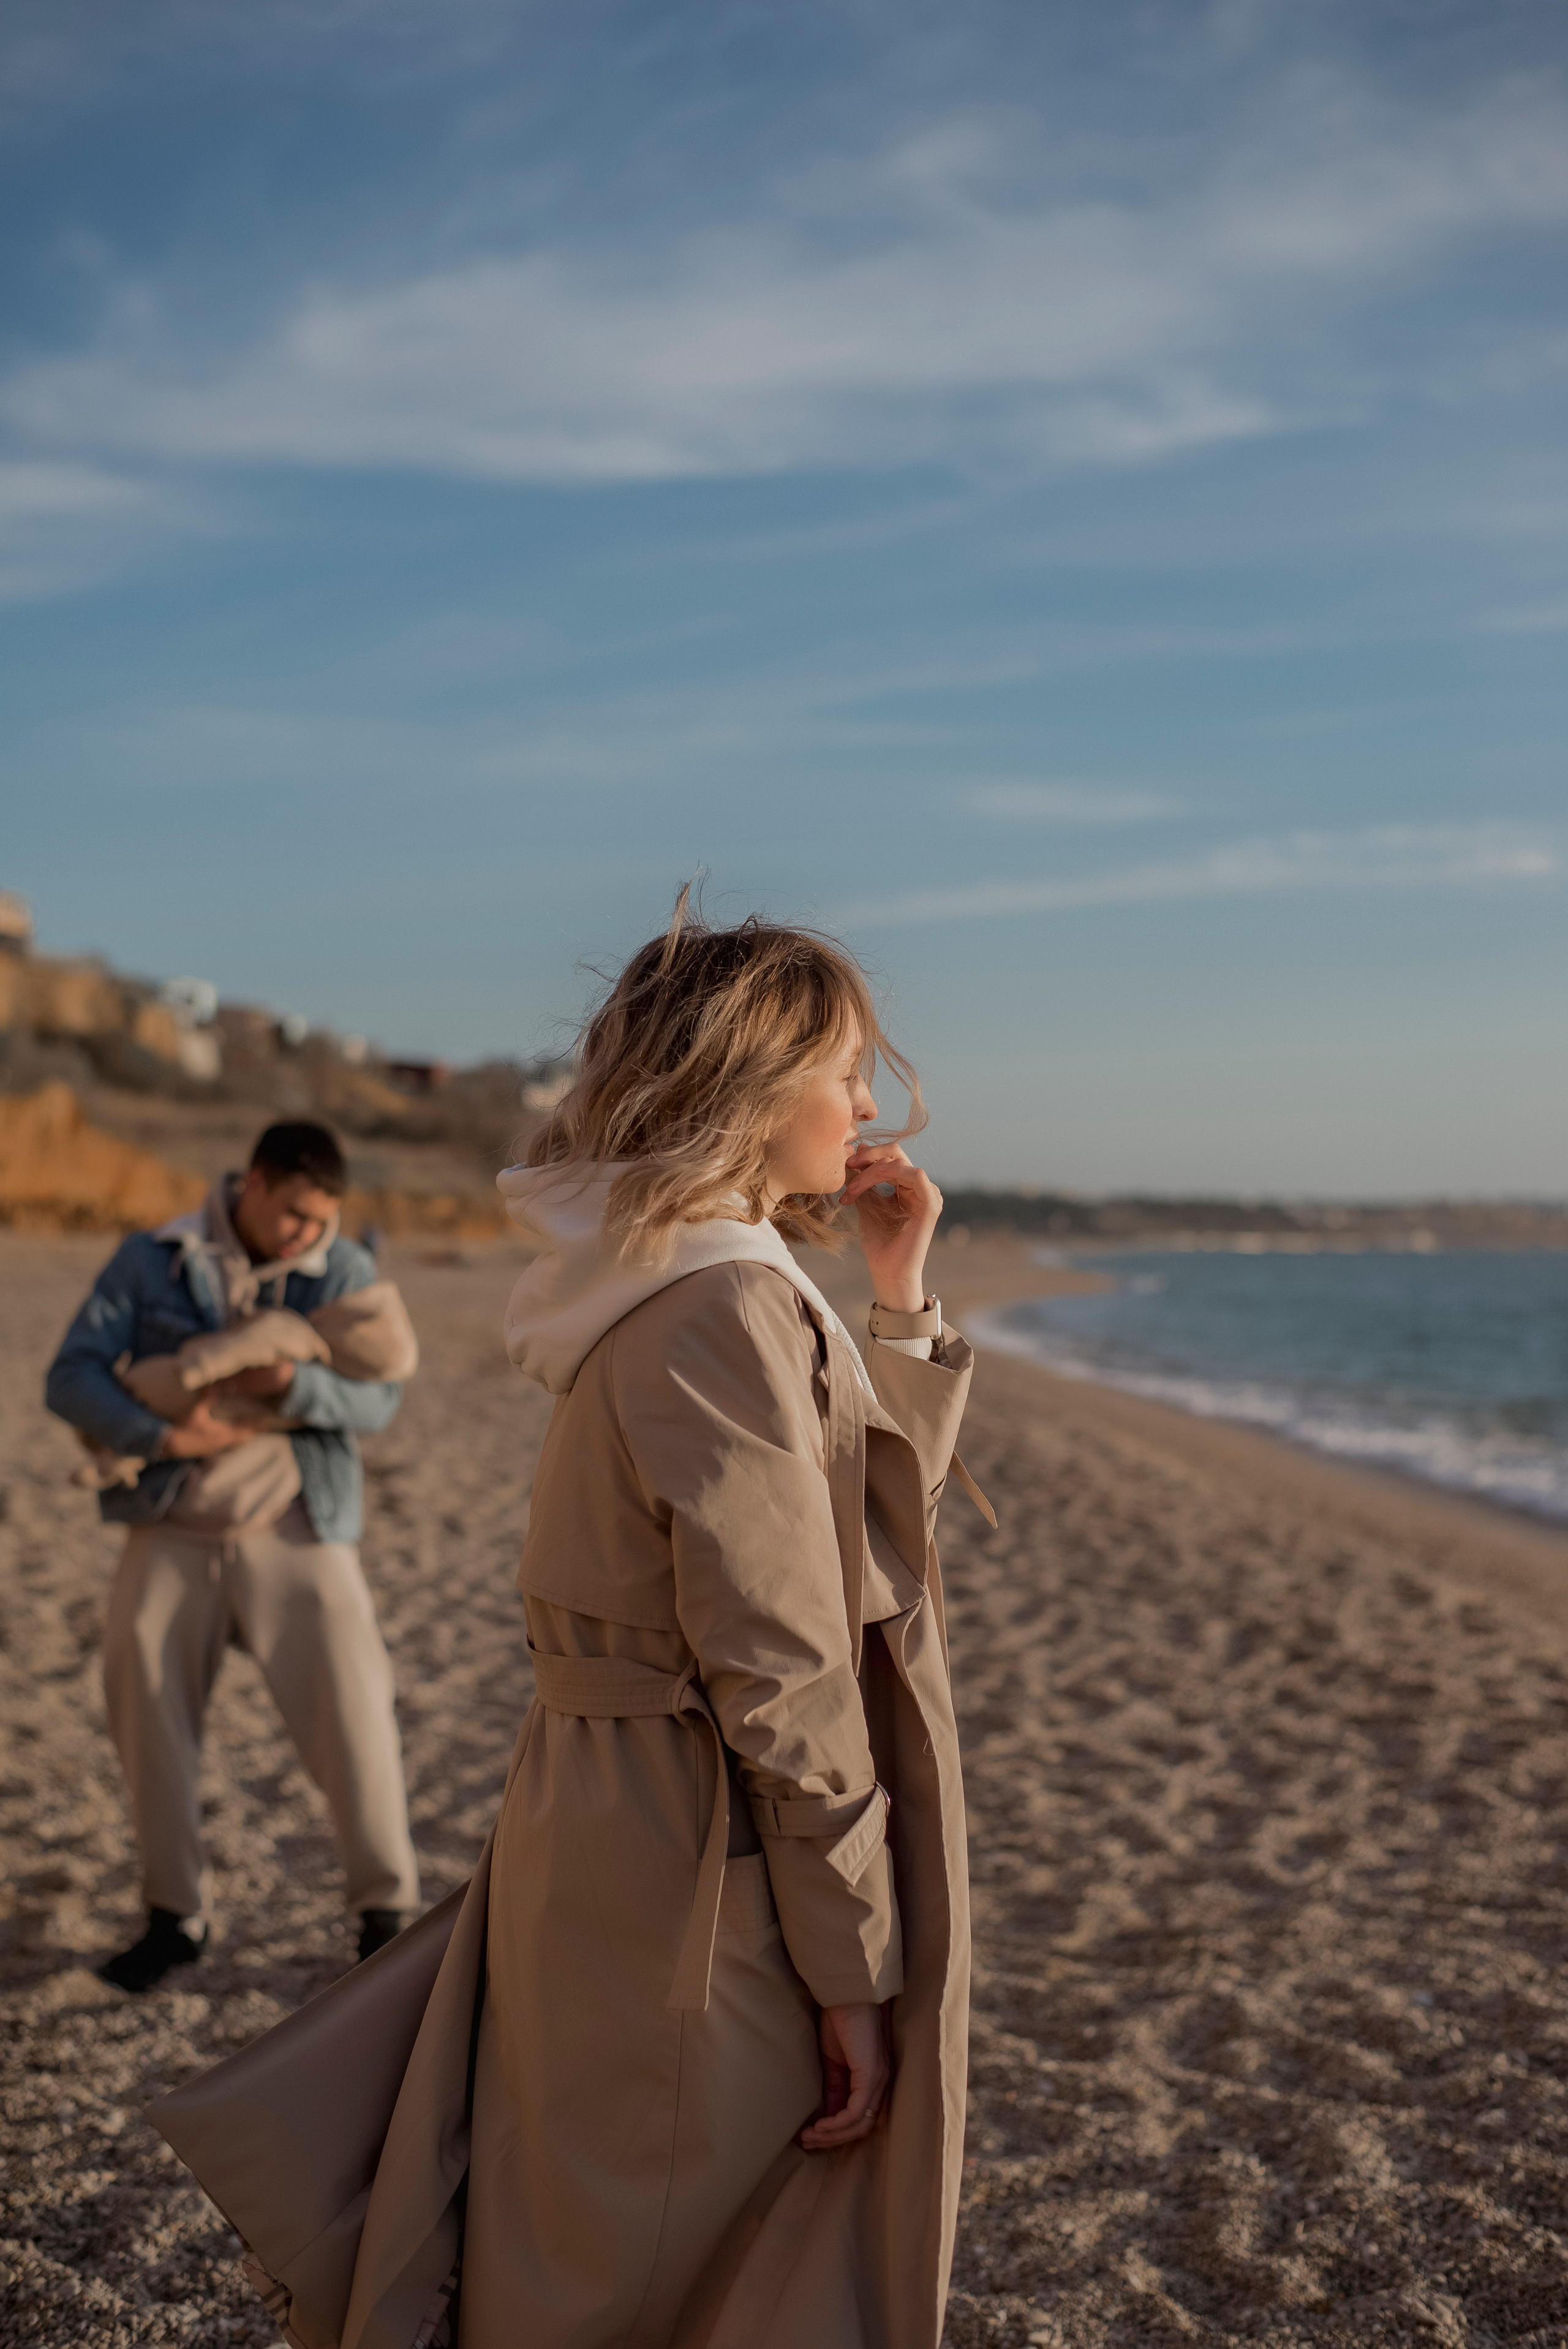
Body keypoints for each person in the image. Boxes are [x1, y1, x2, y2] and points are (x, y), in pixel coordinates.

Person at [342, 899, 978, 2349]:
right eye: (843, 1072)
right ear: (752, 1090)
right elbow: (790, 1673)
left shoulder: (655, 1271)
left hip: (604, 1813)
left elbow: (839, 1541)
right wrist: (853, 1971)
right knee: (664, 2258)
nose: (867, 1107)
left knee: (585, 2218)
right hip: (697, 1846)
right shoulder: (722, 1310)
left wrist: (896, 1294)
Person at [45, 1120, 422, 1992]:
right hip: (171, 1527)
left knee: (358, 1717)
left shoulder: (344, 1270)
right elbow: (70, 1375)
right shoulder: (151, 1258)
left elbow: (381, 1402)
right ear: (251, 1182)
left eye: (319, 1221)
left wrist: (293, 1384)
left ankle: (386, 1914)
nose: (304, 1235)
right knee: (148, 1721)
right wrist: (159, 1431)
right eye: (291, 1213)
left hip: (296, 1527)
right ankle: (175, 1917)